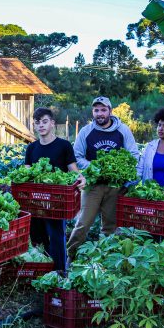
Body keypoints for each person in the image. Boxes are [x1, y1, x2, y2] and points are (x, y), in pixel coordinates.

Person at [67, 96, 140, 255]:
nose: (99, 113)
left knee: (110, 226)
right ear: (93, 112)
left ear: (110, 111)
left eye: (103, 110)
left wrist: (119, 169)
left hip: (115, 186)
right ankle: (70, 257)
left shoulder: (123, 130)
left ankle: (105, 259)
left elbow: (134, 155)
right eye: (96, 110)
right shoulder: (86, 131)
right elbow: (77, 156)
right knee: (83, 224)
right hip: (92, 185)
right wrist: (96, 167)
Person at [23, 107, 85, 272]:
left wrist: (81, 178)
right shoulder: (31, 148)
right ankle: (42, 272)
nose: (41, 126)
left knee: (57, 237)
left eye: (44, 122)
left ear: (52, 123)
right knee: (37, 238)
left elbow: (73, 170)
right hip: (36, 202)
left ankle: (60, 272)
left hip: (56, 203)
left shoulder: (64, 146)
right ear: (34, 126)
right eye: (37, 123)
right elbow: (26, 173)